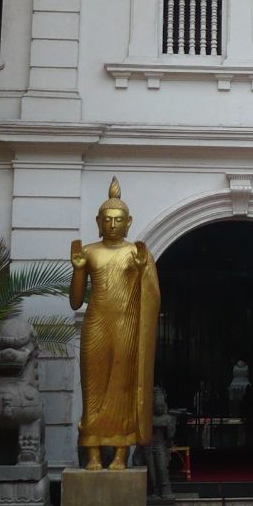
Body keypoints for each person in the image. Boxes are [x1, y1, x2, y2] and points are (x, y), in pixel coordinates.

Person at [69, 177, 160, 471]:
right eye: (106, 219)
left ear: (128, 221)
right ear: (98, 220)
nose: (111, 225)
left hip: (126, 327)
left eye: (118, 220)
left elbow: (153, 296)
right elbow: (75, 301)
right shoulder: (91, 252)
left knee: (122, 386)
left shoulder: (135, 253)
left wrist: (145, 270)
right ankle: (94, 454)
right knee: (92, 389)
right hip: (96, 323)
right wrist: (78, 271)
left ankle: (121, 453)